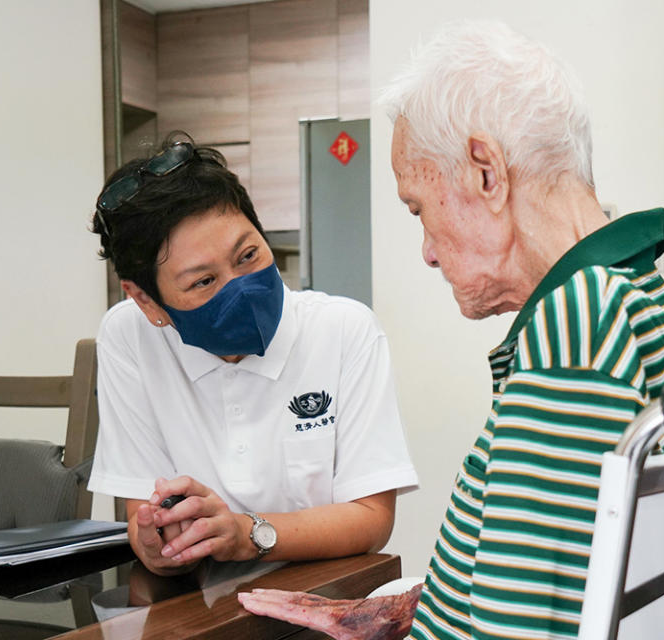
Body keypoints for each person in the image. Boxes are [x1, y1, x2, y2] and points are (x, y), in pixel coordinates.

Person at [238, 19, 664, 639]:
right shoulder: (640, 301)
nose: (426, 251)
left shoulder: (577, 334)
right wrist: (412, 607)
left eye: (419, 209)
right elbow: (576, 580)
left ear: (486, 172)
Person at [87, 133, 418, 576]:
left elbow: (372, 520)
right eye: (203, 282)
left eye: (247, 255)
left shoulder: (342, 330)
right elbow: (144, 519)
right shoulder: (128, 337)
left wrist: (247, 534)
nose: (239, 287)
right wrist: (160, 543)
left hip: (323, 599)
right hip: (200, 610)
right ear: (146, 301)